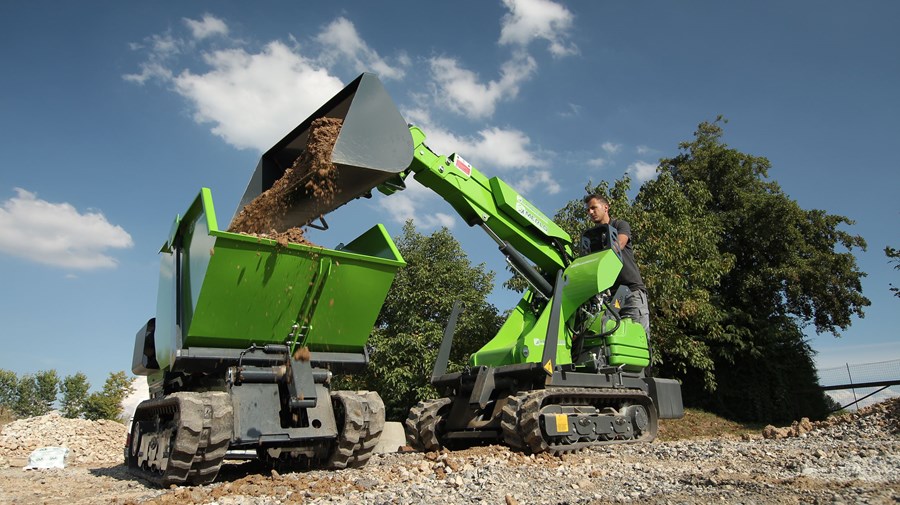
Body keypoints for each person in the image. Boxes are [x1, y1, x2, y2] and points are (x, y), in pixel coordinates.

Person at [583, 194, 650, 337]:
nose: (590, 212)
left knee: (639, 338)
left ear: (605, 207)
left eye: (593, 208)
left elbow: (619, 244)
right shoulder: (592, 238)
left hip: (632, 291)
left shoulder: (619, 225)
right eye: (588, 210)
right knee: (608, 335)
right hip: (613, 297)